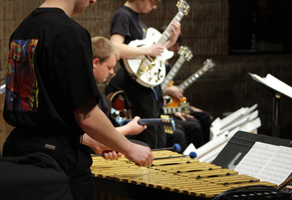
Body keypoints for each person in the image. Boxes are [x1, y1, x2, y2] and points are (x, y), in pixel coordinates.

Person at [2, 1, 153, 200]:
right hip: (56, 162)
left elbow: (34, 106)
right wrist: (129, 147)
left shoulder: (22, 30)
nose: (93, 1)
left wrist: (86, 139)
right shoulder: (69, 33)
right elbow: (87, 116)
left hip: (16, 153)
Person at [108, 0, 182, 149]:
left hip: (151, 86)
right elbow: (115, 47)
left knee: (159, 135)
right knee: (149, 139)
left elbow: (147, 56)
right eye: (153, 2)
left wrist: (170, 42)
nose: (154, 7)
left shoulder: (137, 18)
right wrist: (147, 50)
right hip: (138, 87)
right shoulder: (123, 15)